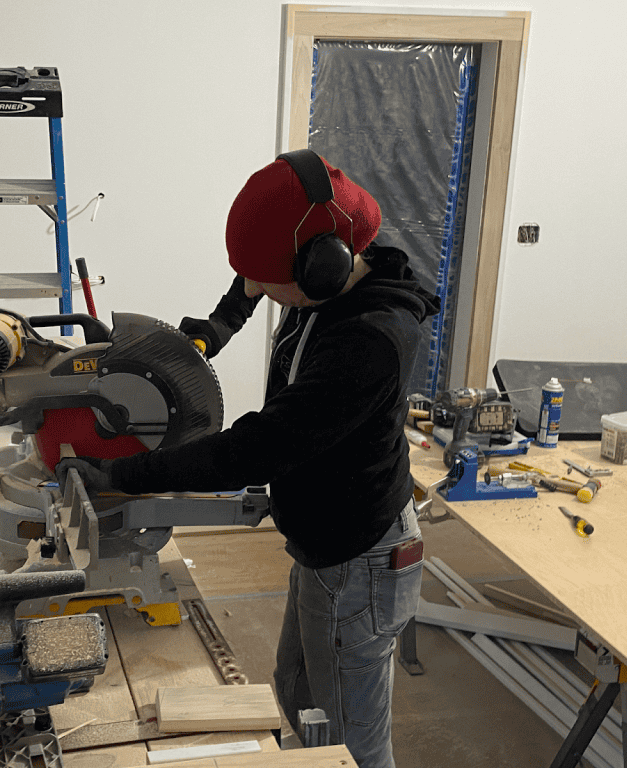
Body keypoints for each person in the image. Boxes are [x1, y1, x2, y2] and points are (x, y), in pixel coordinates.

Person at [56, 151, 440, 768]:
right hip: (324, 543)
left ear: (321, 267)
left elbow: (256, 447)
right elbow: (247, 282)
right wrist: (214, 330)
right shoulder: (329, 271)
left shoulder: (370, 342)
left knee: (352, 745)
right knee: (296, 696)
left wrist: (121, 477)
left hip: (359, 560)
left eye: (269, 281)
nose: (258, 290)